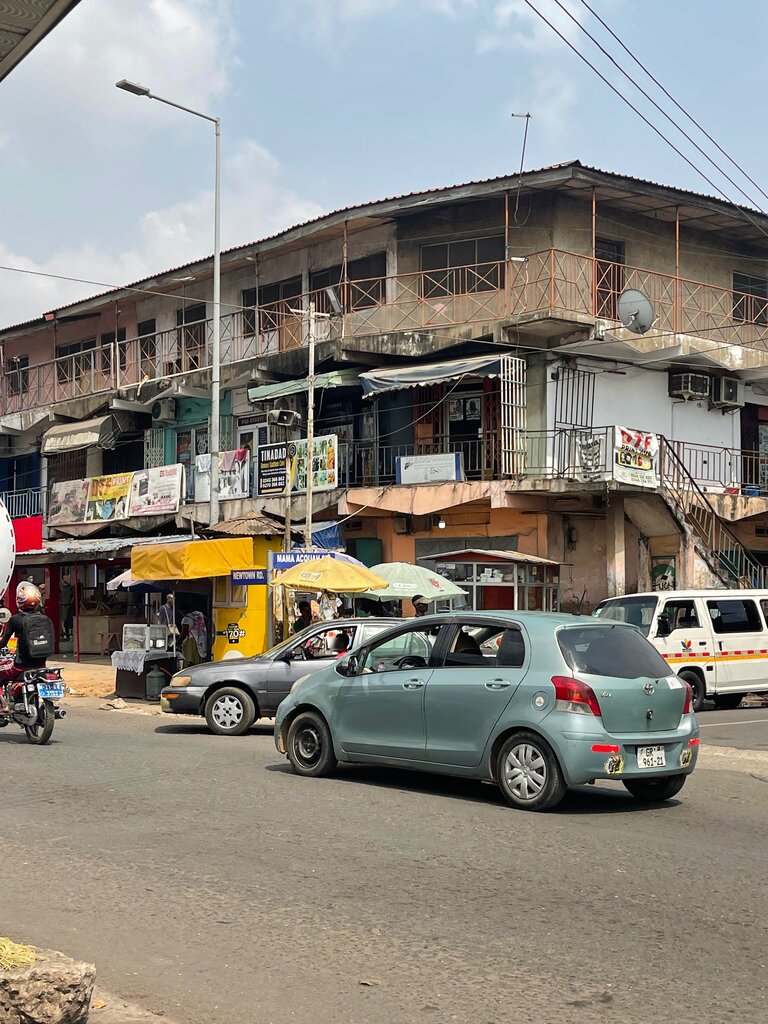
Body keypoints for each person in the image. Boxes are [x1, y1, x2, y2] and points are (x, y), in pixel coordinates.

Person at [0, 582, 54, 712]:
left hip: (20, 666)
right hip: (41, 665)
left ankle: (3, 705)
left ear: (20, 601)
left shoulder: (15, 619)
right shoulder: (45, 619)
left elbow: (4, 642)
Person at [60, 575, 74, 641]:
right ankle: (66, 635)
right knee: (65, 621)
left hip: (66, 606)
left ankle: (67, 635)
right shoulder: (67, 588)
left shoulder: (69, 588)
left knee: (66, 621)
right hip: (64, 606)